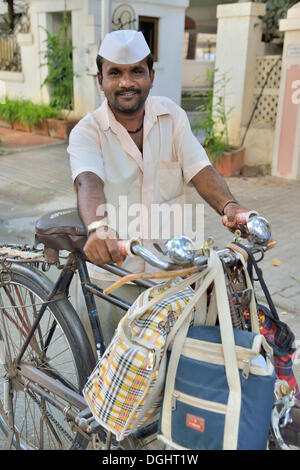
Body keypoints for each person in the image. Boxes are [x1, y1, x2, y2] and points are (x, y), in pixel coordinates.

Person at [67, 30, 300, 447]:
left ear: (151, 76)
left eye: (136, 71)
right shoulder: (87, 131)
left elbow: (200, 169)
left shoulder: (171, 116)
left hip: (171, 273)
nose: (126, 82)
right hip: (114, 271)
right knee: (111, 388)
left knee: (169, 376)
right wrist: (99, 228)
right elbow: (88, 182)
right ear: (100, 79)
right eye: (115, 73)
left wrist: (233, 210)